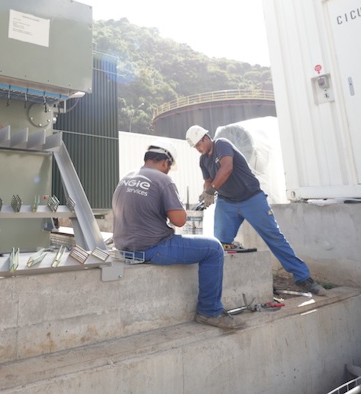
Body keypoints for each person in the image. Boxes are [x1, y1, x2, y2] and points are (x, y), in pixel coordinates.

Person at [112, 137, 245, 329]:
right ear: (165, 162)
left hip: (124, 249)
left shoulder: (126, 178)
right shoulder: (163, 180)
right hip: (150, 248)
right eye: (168, 167)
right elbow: (180, 220)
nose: (168, 171)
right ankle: (209, 312)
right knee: (214, 248)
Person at [185, 125, 326, 296]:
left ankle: (303, 278)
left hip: (251, 198)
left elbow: (227, 168)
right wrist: (206, 192)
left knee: (274, 237)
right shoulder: (203, 160)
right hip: (227, 202)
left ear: (206, 138)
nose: (197, 149)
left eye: (198, 145)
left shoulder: (222, 144)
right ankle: (224, 286)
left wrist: (211, 190)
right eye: (195, 147)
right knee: (220, 245)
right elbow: (208, 180)